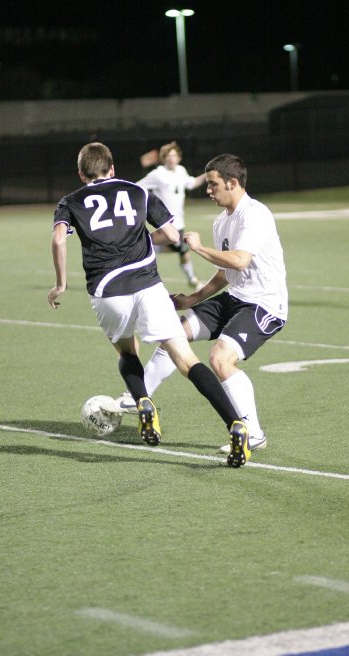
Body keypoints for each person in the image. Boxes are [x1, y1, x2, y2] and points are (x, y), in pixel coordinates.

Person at [47, 142, 250, 468]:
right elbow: (171, 235)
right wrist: (144, 241)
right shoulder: (136, 191)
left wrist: (60, 284)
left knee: (128, 353)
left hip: (107, 290)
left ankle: (142, 401)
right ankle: (235, 423)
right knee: (185, 358)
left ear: (82, 173)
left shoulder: (70, 201)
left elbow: (59, 239)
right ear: (111, 169)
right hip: (149, 285)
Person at [142, 153, 288, 454]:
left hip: (264, 306)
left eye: (213, 185)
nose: (207, 191)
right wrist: (191, 299)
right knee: (174, 333)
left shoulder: (255, 215)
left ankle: (255, 434)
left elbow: (240, 259)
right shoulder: (222, 221)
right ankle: (137, 398)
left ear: (232, 183)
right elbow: (226, 273)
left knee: (220, 359)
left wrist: (198, 248)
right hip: (235, 298)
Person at [137, 141, 205, 289]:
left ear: (179, 157)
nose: (171, 158)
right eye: (168, 156)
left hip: (179, 222)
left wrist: (207, 175)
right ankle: (193, 280)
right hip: (165, 222)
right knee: (183, 248)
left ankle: (142, 247)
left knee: (179, 248)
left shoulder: (181, 170)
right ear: (163, 158)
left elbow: (191, 183)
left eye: (174, 155)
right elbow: (137, 188)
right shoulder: (157, 174)